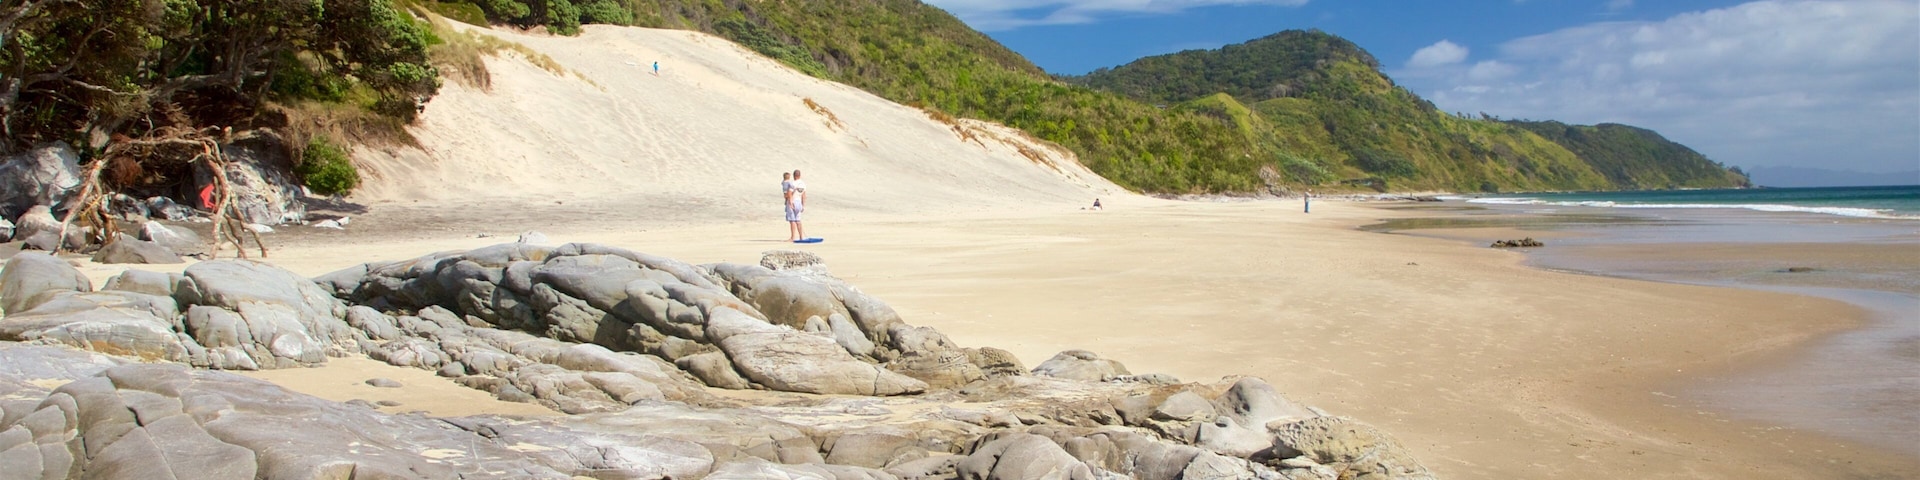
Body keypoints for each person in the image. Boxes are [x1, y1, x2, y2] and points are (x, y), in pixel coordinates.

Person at [788, 170, 807, 241]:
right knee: (798, 220)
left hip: (793, 201)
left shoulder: (793, 183)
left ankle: (793, 237)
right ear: (800, 175)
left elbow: (790, 193)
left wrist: (790, 202)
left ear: (794, 176)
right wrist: (803, 205)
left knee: (792, 220)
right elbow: (804, 195)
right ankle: (801, 236)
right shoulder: (803, 184)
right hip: (799, 202)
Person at [782, 172, 797, 241]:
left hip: (788, 198)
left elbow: (787, 192)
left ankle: (793, 236)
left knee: (792, 219)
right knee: (792, 219)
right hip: (788, 198)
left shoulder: (783, 182)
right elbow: (793, 188)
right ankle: (793, 236)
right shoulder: (788, 182)